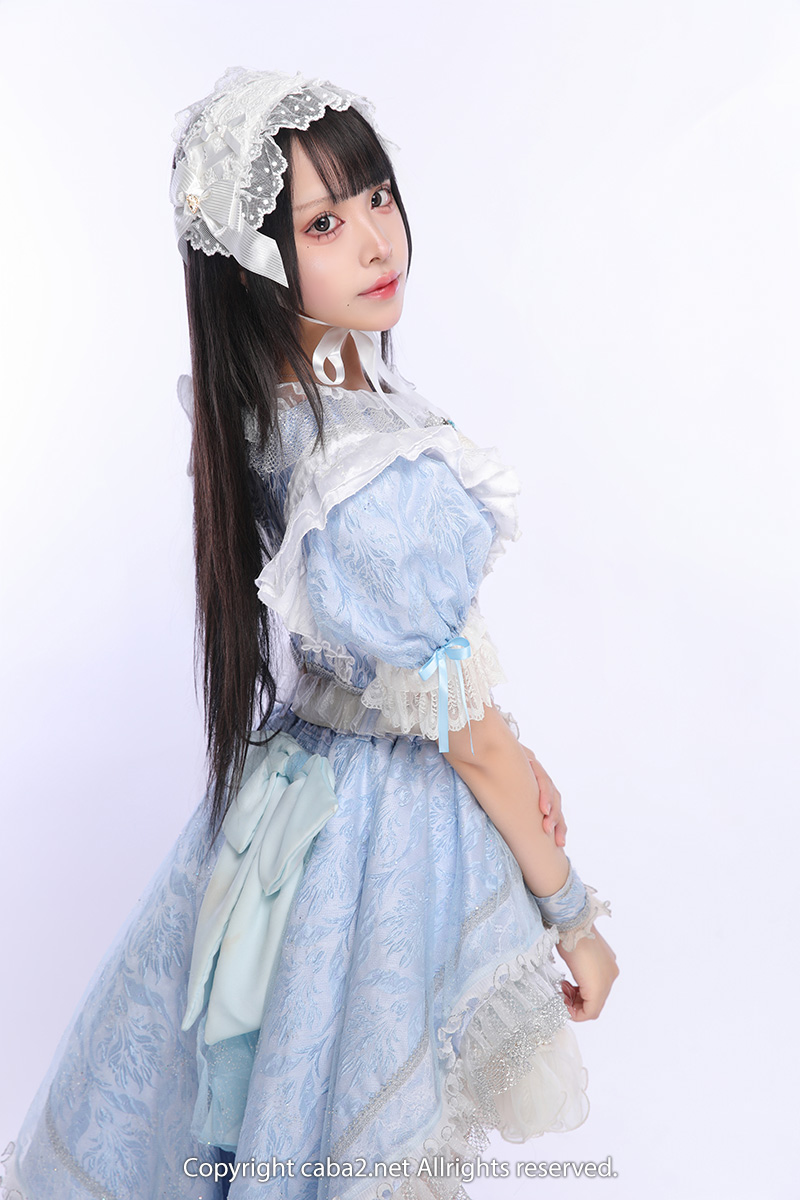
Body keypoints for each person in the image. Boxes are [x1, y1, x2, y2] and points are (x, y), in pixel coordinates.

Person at [1, 68, 618, 1200]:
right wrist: (571, 914)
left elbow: (442, 690)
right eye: (323, 224)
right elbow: (463, 731)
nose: (377, 240)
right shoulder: (363, 473)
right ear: (257, 264)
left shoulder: (283, 415)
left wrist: (514, 753)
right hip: (378, 837)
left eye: (376, 197)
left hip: (300, 805)